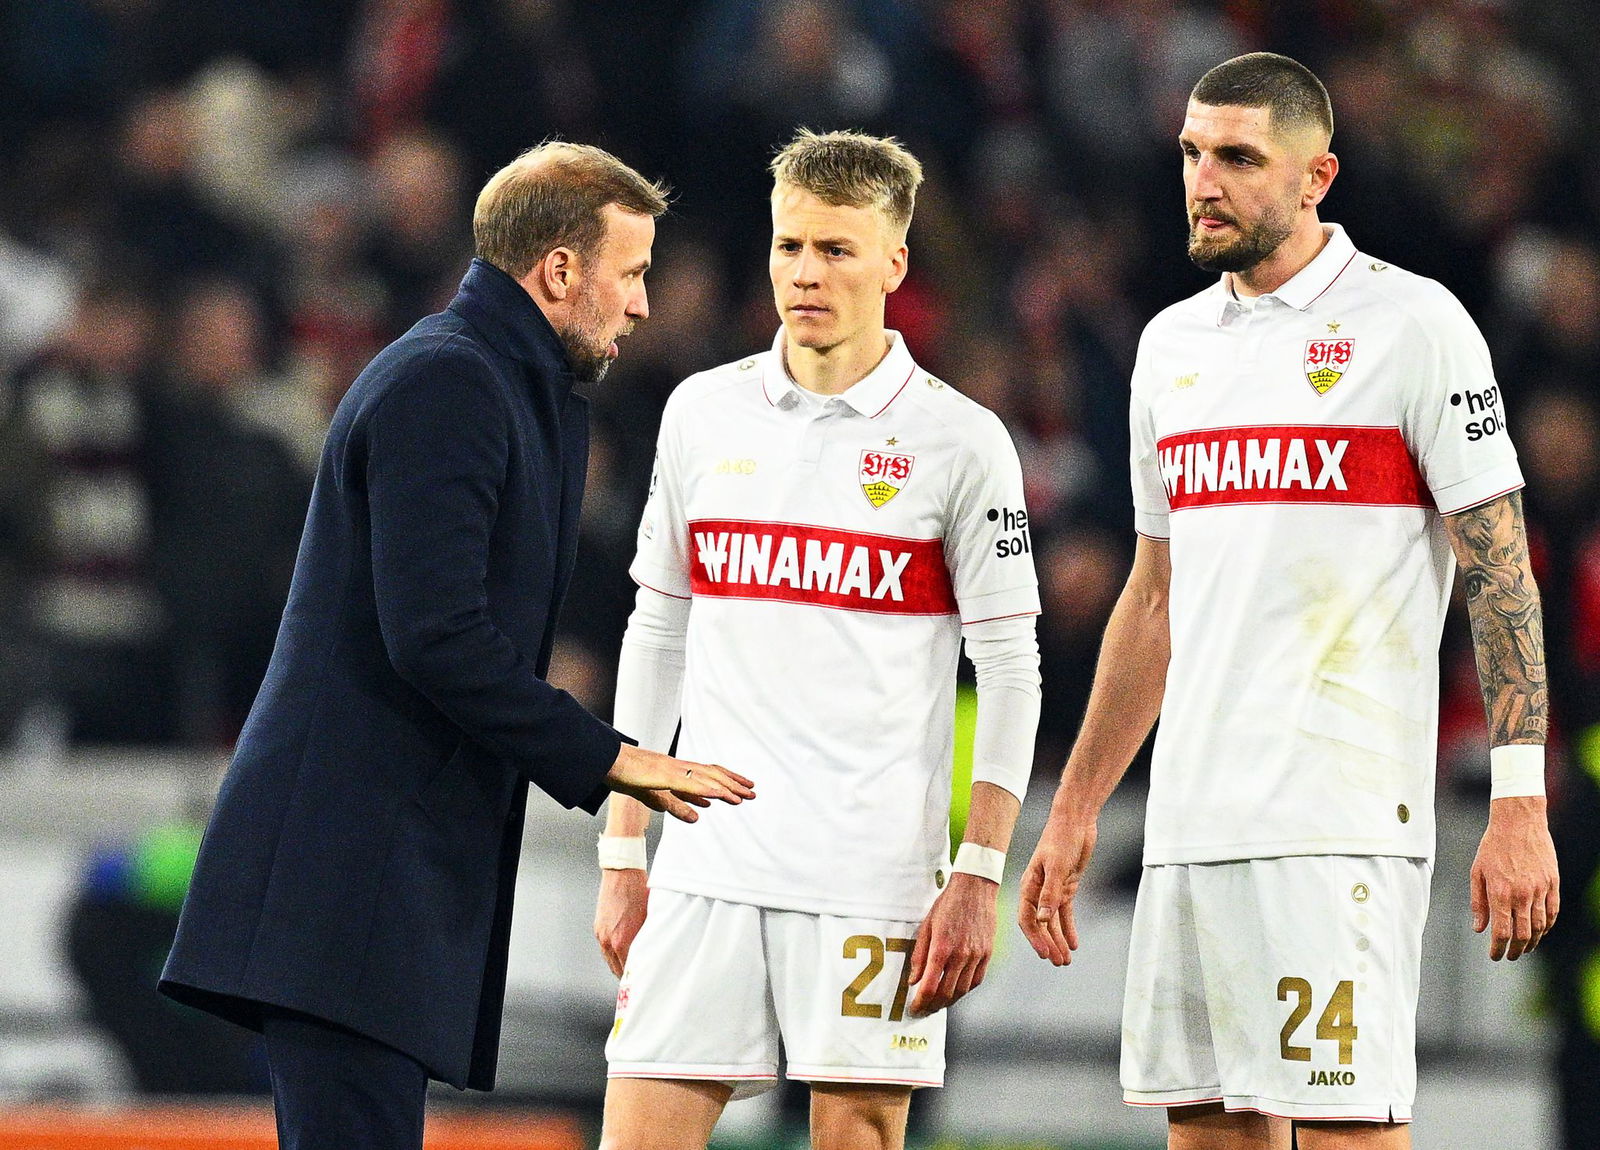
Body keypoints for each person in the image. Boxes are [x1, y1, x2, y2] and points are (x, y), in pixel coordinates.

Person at [158, 142, 756, 1150]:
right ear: (560, 272)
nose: (645, 304)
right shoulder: (453, 383)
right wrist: (607, 757)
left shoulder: (506, 388)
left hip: (380, 883)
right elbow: (434, 637)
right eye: (634, 271)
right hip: (350, 881)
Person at [1017, 53, 1560, 1149]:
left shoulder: (1414, 326)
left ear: (1318, 176)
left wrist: (1518, 800)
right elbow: (1154, 596)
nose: (1202, 181)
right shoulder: (1169, 349)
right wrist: (1077, 807)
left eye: (1236, 158)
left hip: (1339, 817)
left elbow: (1501, 569)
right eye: (1190, 154)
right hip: (1189, 821)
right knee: (1207, 1128)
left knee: (1347, 1127)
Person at [590, 129, 1042, 1150]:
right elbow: (656, 625)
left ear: (893, 262)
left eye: (835, 249)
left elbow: (1011, 668)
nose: (805, 272)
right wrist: (623, 849)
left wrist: (978, 870)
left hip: (871, 875)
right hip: (707, 864)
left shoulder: (960, 442)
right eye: (789, 246)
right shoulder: (702, 413)